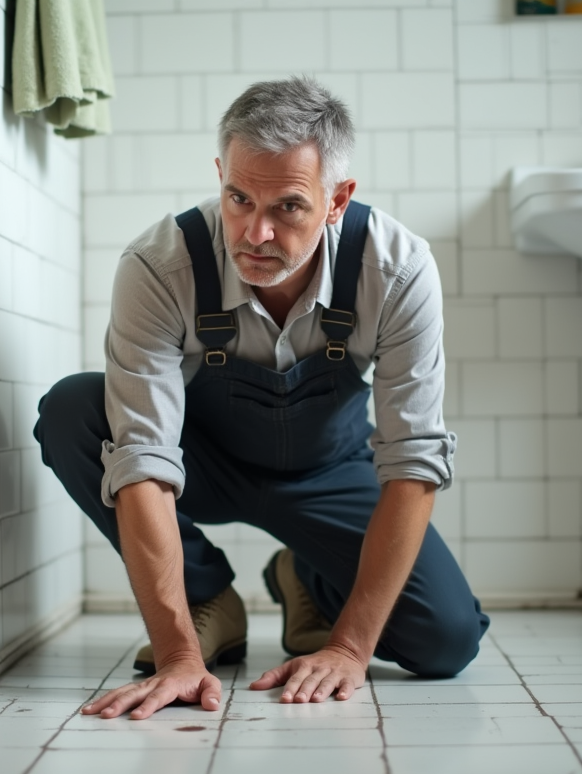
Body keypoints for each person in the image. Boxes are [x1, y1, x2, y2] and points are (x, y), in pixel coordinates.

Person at [34, 77, 489, 721]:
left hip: (331, 477)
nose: (257, 233)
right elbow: (142, 458)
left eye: (289, 208)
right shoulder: (160, 267)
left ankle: (305, 577)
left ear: (337, 200)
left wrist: (352, 648)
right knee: (75, 408)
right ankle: (208, 597)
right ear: (220, 173)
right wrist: (176, 658)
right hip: (205, 468)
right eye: (239, 198)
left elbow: (414, 461)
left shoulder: (397, 270)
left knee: (447, 641)